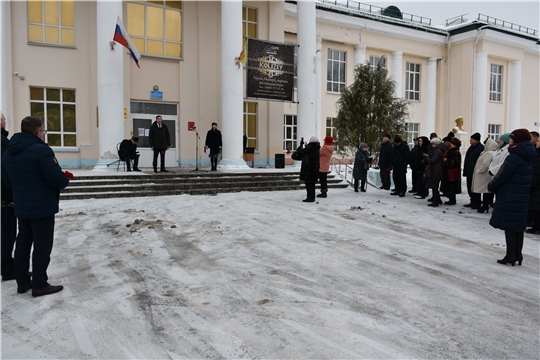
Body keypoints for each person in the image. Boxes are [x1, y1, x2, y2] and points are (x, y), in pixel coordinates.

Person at [2, 116, 70, 296]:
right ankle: (40, 284)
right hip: (42, 206)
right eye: (44, 131)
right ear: (38, 132)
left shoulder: (9, 152)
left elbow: (6, 179)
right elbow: (56, 179)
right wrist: (65, 179)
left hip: (22, 205)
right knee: (42, 245)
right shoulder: (42, 151)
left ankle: (22, 282)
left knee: (23, 242)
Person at [488, 129, 535, 266]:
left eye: (513, 138)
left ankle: (510, 255)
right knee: (517, 226)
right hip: (521, 195)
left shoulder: (514, 156)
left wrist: (492, 186)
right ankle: (517, 254)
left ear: (517, 140)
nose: (511, 140)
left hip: (510, 194)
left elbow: (502, 175)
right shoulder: (527, 155)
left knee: (510, 226)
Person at [1, 111, 17, 281]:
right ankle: (7, 268)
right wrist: (11, 196)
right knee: (6, 233)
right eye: (4, 119)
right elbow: (4, 172)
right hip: (4, 199)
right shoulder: (4, 143)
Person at [471, 138, 498, 213]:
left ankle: (484, 206)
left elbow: (485, 164)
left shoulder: (489, 153)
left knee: (485, 191)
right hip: (483, 175)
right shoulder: (486, 152)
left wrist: (479, 171)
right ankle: (484, 205)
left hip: (484, 175)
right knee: (484, 190)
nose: (484, 145)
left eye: (486, 143)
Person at [294, 136, 320, 202]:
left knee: (308, 184)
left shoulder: (309, 148)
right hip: (314, 168)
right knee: (312, 184)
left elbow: (300, 152)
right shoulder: (317, 148)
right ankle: (312, 197)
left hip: (308, 169)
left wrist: (300, 145)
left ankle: (310, 198)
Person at [463, 132, 484, 209]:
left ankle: (477, 202)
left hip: (475, 171)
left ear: (476, 140)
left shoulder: (480, 148)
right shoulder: (472, 147)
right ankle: (472, 201)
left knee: (475, 188)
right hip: (469, 171)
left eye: (472, 139)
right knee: (470, 187)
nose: (470, 140)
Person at [422, 137, 444, 207]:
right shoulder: (438, 150)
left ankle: (435, 201)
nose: (431, 145)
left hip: (435, 170)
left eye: (432, 144)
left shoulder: (436, 151)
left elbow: (433, 161)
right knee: (434, 186)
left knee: (434, 186)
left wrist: (427, 157)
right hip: (436, 169)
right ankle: (437, 199)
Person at [440, 137, 462, 205]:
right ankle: (451, 198)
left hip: (452, 171)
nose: (450, 144)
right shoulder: (450, 151)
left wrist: (447, 161)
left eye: (452, 143)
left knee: (452, 186)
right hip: (448, 171)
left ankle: (452, 200)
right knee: (450, 186)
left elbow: (455, 162)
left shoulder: (455, 152)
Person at [527, 133, 540, 234]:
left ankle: (536, 226)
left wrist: (533, 183)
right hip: (535, 183)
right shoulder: (535, 150)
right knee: (534, 207)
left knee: (535, 207)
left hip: (536, 184)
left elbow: (537, 169)